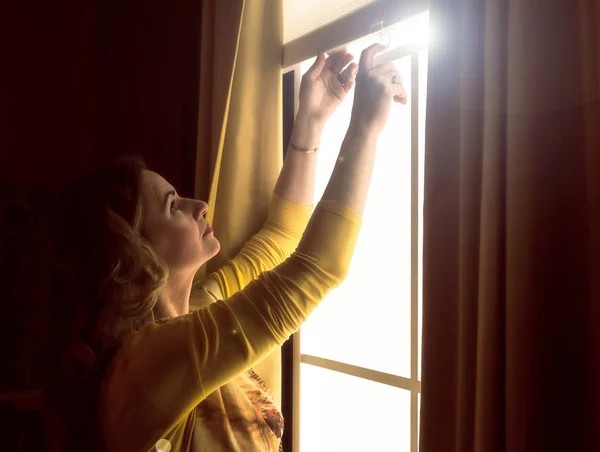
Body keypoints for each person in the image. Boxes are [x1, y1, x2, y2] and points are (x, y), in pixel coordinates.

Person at [23, 43, 406, 451]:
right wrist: (365, 128)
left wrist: (311, 121)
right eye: (173, 206)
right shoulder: (143, 370)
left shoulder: (191, 316)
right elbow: (312, 271)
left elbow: (279, 239)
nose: (199, 205)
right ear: (131, 253)